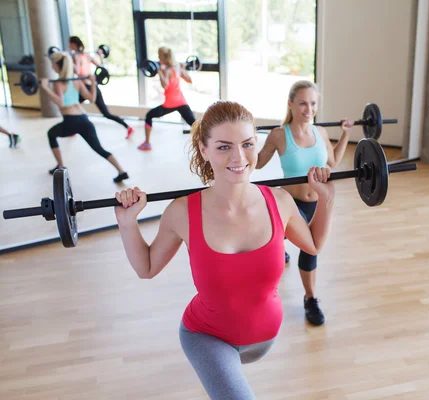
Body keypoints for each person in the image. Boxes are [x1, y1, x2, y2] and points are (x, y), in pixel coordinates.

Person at [114, 100, 335, 399]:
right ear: (204, 151)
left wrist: (327, 200)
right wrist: (128, 223)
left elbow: (314, 245)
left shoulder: (280, 202)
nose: (239, 157)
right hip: (208, 335)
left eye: (247, 144)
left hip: (265, 335)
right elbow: (147, 268)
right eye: (223, 147)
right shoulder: (182, 212)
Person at [255, 80, 353, 326]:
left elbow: (332, 162)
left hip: (316, 204)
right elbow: (256, 163)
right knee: (296, 245)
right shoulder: (279, 135)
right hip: (290, 205)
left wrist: (345, 134)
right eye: (302, 103)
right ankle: (281, 252)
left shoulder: (320, 132)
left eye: (313, 103)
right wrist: (245, 142)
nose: (308, 109)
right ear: (290, 104)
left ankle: (310, 298)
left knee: (310, 248)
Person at [41, 51, 129, 183]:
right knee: (99, 149)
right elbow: (92, 98)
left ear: (57, 66)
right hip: (84, 119)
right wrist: (93, 83)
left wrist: (44, 87)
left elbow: (61, 103)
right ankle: (121, 171)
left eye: (53, 64)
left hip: (70, 121)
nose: (52, 66)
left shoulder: (58, 83)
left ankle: (60, 166)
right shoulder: (76, 81)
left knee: (51, 134)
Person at [69, 36, 134, 139]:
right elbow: (101, 67)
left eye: (69, 44)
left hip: (86, 87)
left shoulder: (77, 56)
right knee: (75, 107)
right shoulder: (87, 56)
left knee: (73, 107)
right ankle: (73, 129)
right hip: (92, 87)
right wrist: (100, 56)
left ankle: (128, 127)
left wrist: (71, 63)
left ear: (73, 44)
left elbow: (77, 71)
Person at [138, 46, 197, 151]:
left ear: (163, 57)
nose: (158, 58)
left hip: (169, 103)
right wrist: (183, 69)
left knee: (149, 115)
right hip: (181, 101)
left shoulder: (166, 70)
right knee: (195, 124)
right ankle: (210, 141)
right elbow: (189, 80)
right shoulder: (178, 67)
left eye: (159, 56)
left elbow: (165, 85)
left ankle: (147, 143)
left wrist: (160, 72)